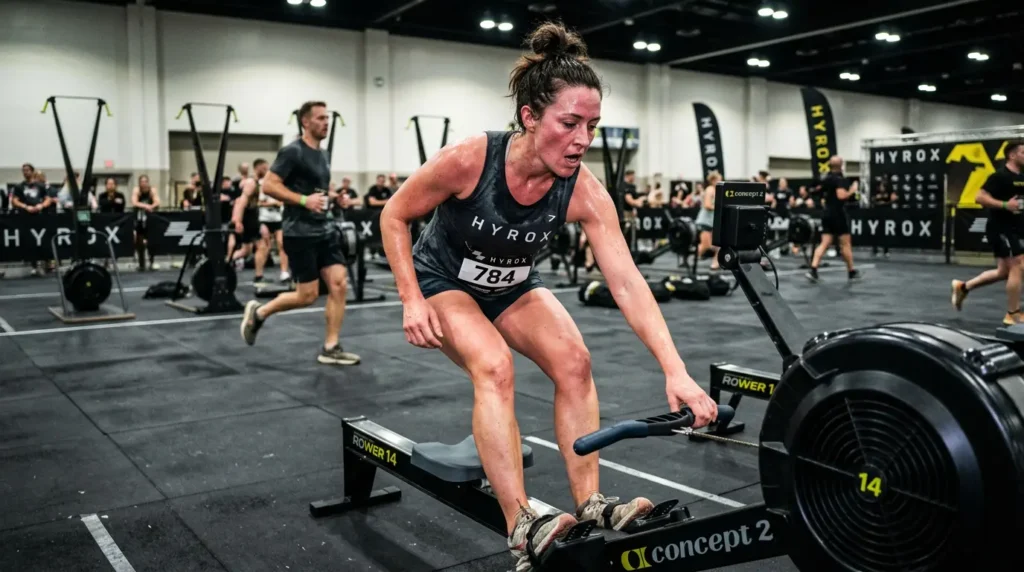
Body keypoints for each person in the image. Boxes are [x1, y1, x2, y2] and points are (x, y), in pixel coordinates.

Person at [378, 22, 718, 571]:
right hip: (446, 282)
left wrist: (674, 369)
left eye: (592, 125)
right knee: (494, 366)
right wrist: (411, 297)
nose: (583, 139)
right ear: (530, 117)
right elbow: (394, 214)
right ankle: (520, 523)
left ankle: (590, 501)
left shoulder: (582, 188)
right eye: (570, 123)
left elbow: (627, 281)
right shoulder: (470, 159)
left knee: (576, 362)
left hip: (512, 286)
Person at [239, 101, 360, 366]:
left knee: (339, 285)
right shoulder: (292, 151)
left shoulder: (324, 155)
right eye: (320, 118)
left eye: (327, 118)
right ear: (305, 122)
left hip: (325, 230)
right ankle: (260, 313)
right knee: (307, 296)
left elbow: (317, 191)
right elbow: (269, 186)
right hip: (299, 232)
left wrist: (334, 198)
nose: (325, 122)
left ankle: (331, 347)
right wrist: (304, 201)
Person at [951, 140, 1024, 324]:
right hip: (1000, 228)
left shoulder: (1022, 176)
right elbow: (980, 197)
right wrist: (1005, 205)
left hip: (1015, 228)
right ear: (1012, 155)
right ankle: (1013, 314)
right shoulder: (999, 176)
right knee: (1019, 264)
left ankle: (963, 287)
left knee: (1004, 272)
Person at [806, 155, 861, 283]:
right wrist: (852, 190)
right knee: (845, 243)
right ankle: (851, 272)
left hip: (827, 214)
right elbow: (841, 196)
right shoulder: (839, 179)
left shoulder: (826, 178)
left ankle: (813, 270)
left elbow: (817, 192)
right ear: (841, 165)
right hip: (838, 214)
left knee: (824, 243)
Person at [695, 171, 721, 271]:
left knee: (719, 244)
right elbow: (707, 205)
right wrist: (720, 207)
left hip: (714, 221)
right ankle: (689, 256)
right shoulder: (710, 189)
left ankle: (716, 262)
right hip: (705, 221)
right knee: (705, 246)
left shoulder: (717, 190)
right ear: (713, 180)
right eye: (718, 179)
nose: (720, 181)